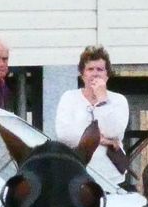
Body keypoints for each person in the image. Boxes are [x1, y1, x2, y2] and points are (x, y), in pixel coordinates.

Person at [54, 45, 130, 185]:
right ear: (82, 75)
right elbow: (64, 135)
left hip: (111, 179)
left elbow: (114, 131)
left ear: (107, 75)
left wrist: (102, 100)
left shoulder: (119, 100)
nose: (95, 74)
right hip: (76, 175)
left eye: (100, 69)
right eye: (90, 69)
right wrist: (102, 139)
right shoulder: (69, 98)